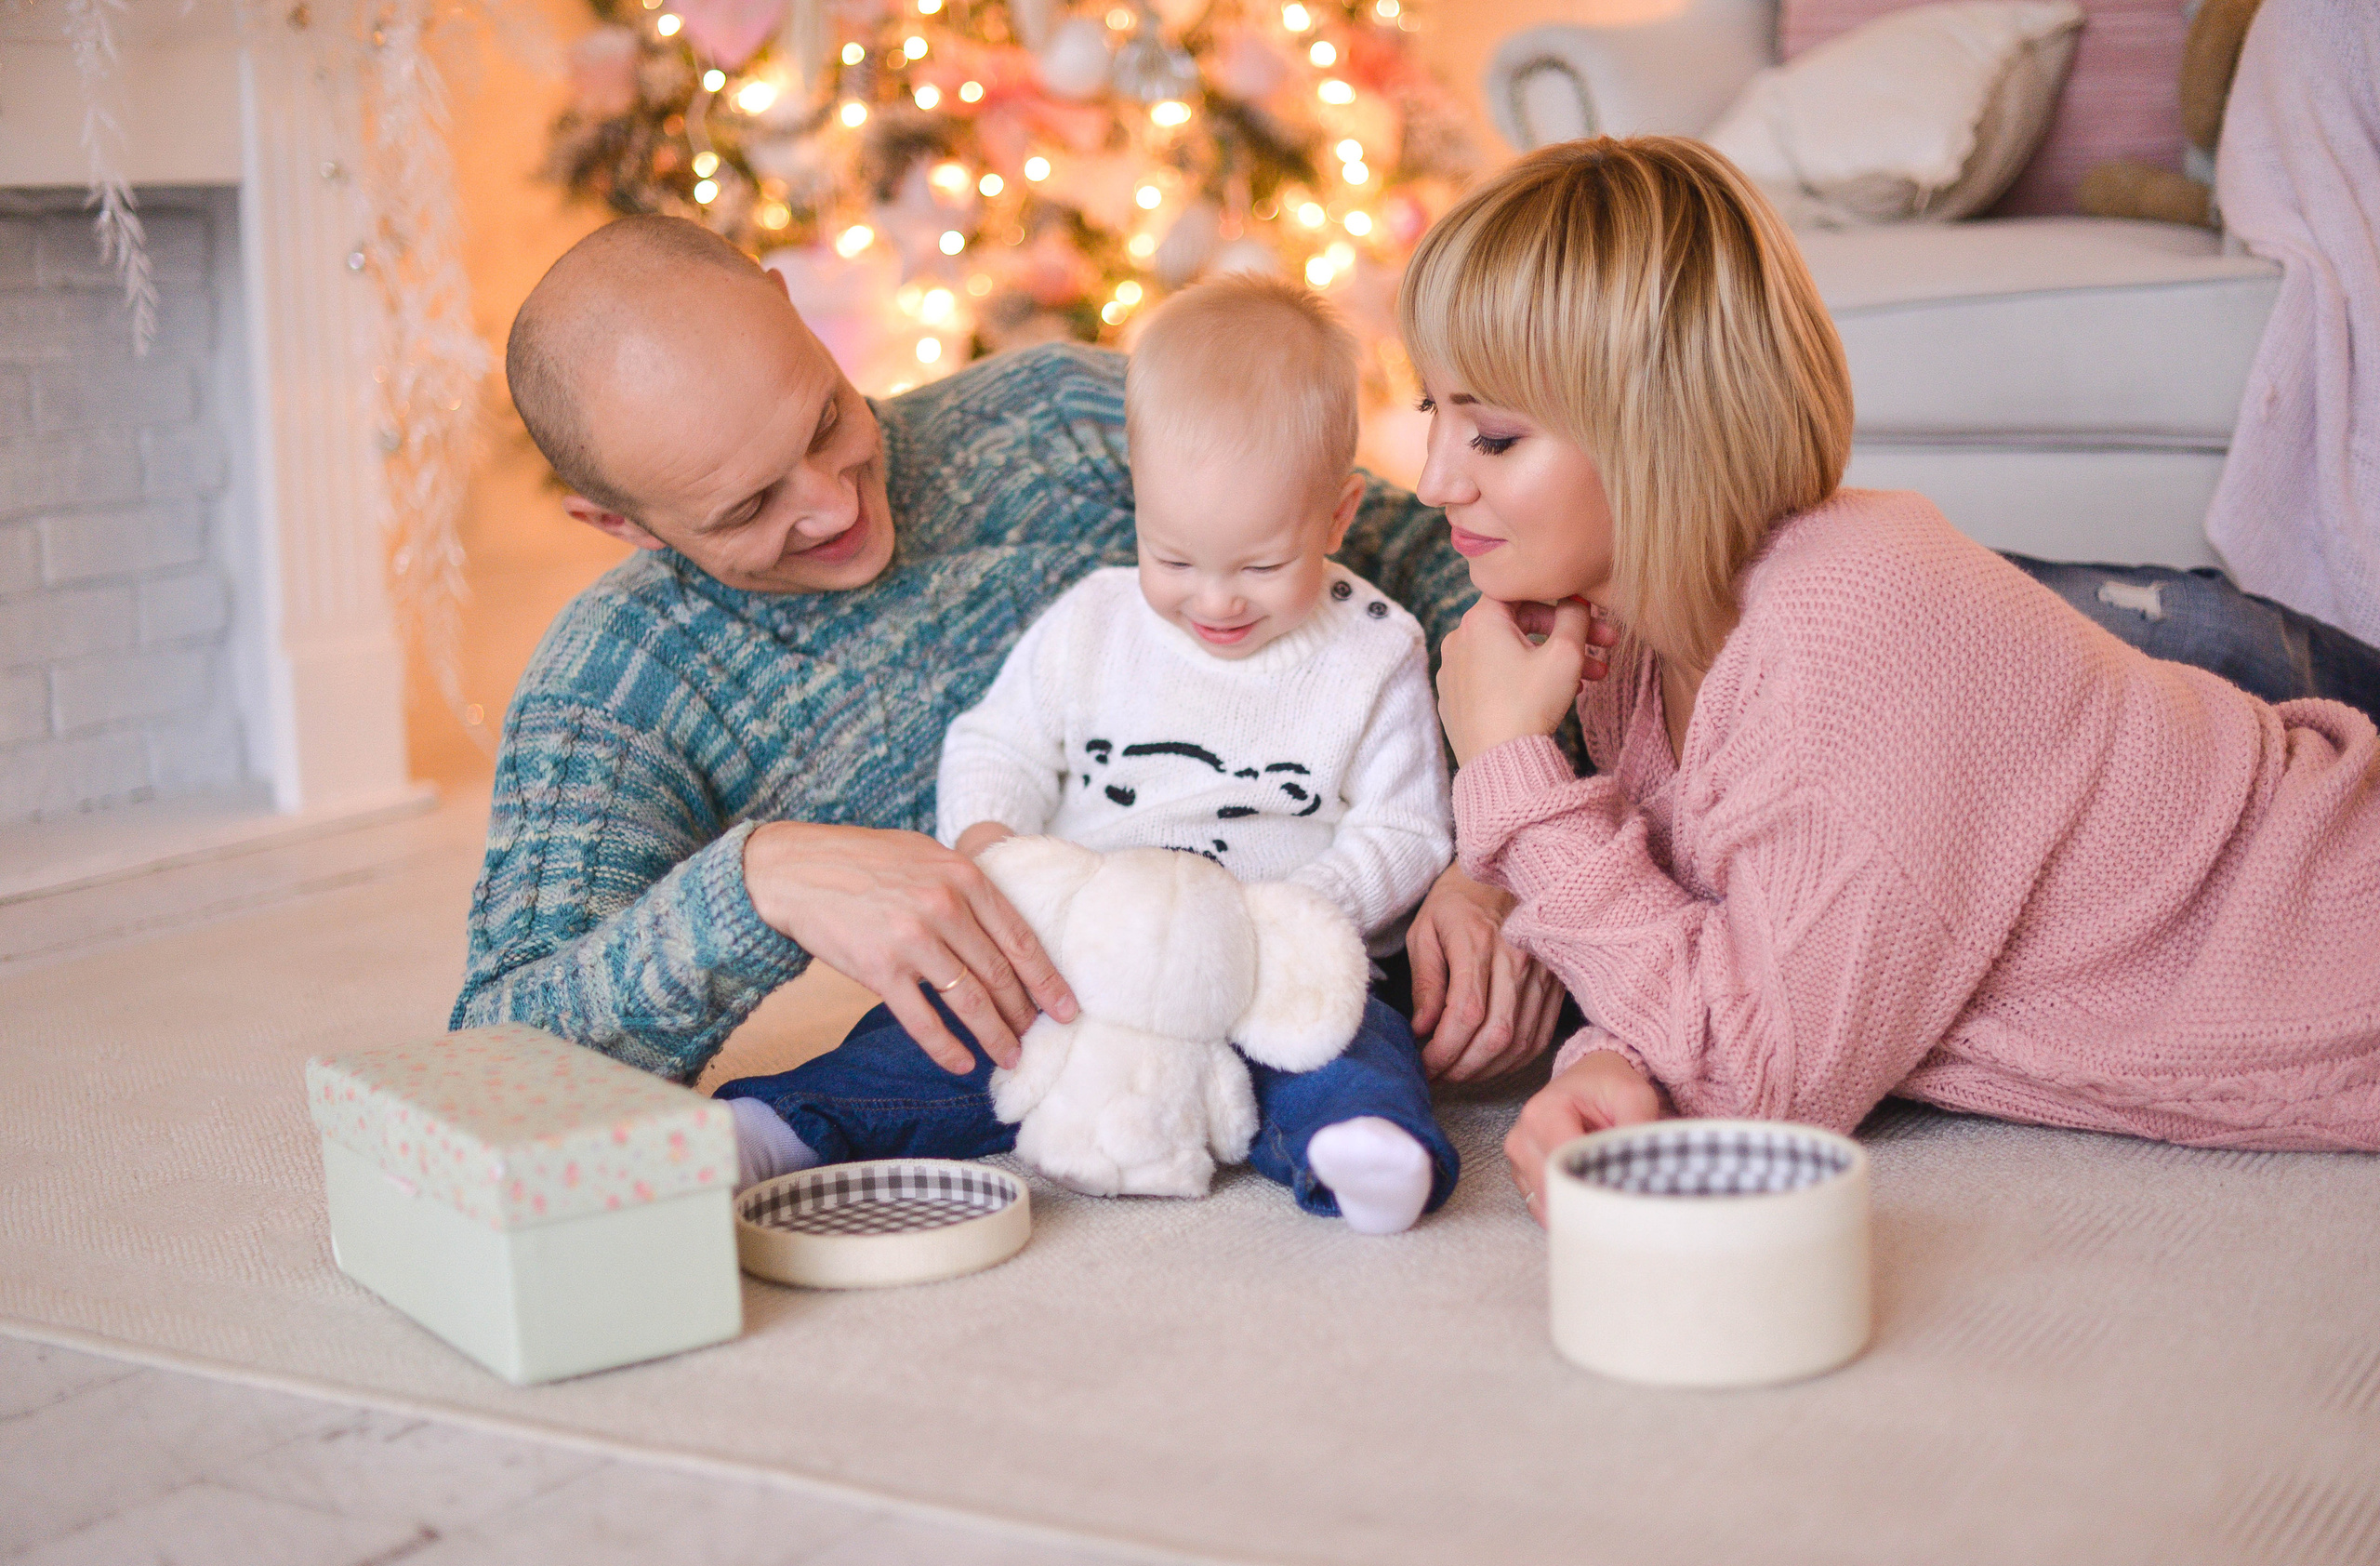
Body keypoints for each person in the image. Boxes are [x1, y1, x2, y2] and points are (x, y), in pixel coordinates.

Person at [1401, 136, 2380, 1224]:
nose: (1436, 476)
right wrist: (1613, 1061)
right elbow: (1725, 926)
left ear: (1657, 432)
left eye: (1490, 434)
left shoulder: (1853, 619)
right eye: (1427, 413)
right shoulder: (1625, 643)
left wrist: (1512, 771)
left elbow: (1759, 1077)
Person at [453, 215, 1566, 1095]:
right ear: (620, 523)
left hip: (1283, 946)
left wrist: (1486, 855)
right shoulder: (619, 680)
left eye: (826, 419)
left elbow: (1444, 570)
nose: (832, 499)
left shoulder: (1058, 420)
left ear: (794, 314)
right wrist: (759, 879)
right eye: (749, 505)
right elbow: (494, 1053)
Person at [713, 275, 1458, 1232]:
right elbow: (1000, 739)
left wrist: (1305, 910)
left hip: (1265, 954)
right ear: (1140, 504)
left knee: (1349, 1041)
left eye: (1263, 566)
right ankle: (792, 1123)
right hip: (1075, 949)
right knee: (939, 1035)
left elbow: (1405, 826)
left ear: (1337, 515)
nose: (1215, 602)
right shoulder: (1093, 620)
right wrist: (990, 836)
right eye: (1175, 558)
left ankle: (1361, 1149)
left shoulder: (1374, 651)